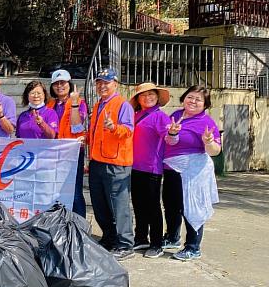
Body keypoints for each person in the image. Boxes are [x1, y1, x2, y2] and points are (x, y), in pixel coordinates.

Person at [162, 85, 221, 261]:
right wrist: (172, 133)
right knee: (172, 206)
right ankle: (172, 238)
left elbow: (215, 151)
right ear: (184, 98)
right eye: (190, 97)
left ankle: (193, 247)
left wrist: (208, 142)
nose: (193, 101)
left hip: (194, 172)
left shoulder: (207, 122)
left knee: (192, 207)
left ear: (205, 104)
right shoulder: (176, 116)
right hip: (172, 169)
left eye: (198, 99)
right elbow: (171, 143)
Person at [87, 67, 136, 260]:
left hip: (116, 163)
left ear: (115, 84)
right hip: (97, 161)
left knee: (119, 205)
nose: (102, 86)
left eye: (106, 82)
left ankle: (125, 244)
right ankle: (109, 238)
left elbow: (128, 130)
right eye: (99, 82)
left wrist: (113, 127)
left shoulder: (122, 105)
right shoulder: (99, 105)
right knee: (100, 204)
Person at [130, 82, 172, 258]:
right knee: (138, 205)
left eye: (151, 94)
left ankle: (156, 243)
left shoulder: (160, 117)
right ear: (138, 99)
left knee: (153, 207)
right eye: (143, 95)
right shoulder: (136, 115)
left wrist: (173, 133)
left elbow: (169, 138)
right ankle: (141, 237)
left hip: (152, 168)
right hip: (134, 166)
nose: (147, 98)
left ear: (157, 97)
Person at [47, 69, 88, 217]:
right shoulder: (50, 104)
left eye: (63, 83)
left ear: (69, 84)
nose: (59, 86)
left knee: (75, 191)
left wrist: (75, 104)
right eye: (56, 84)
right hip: (54, 153)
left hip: (72, 152)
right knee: (56, 190)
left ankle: (80, 227)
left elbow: (77, 127)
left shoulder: (79, 103)